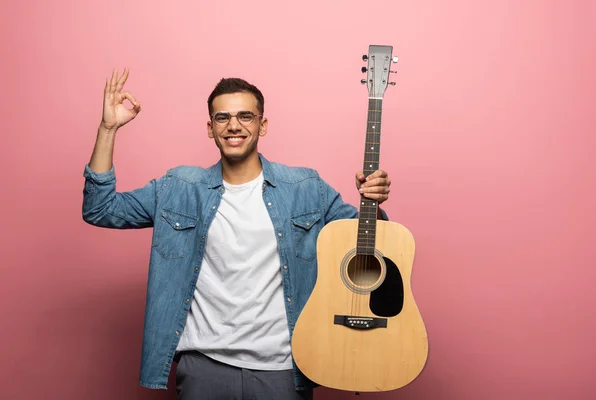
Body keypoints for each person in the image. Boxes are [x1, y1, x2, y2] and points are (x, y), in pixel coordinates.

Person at [82, 68, 393, 400]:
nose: (234, 126)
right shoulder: (178, 189)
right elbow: (101, 209)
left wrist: (373, 202)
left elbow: (368, 246)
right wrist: (108, 128)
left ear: (263, 125)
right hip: (204, 369)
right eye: (222, 117)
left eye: (246, 116)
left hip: (284, 371)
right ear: (210, 128)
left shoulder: (305, 188)